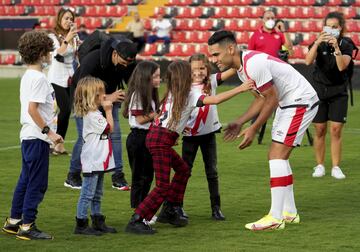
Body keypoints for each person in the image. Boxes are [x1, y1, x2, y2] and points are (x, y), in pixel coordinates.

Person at [125, 60, 255, 235]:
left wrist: (176, 130)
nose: (193, 74)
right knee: (162, 186)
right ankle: (137, 219)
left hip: (158, 137)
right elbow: (215, 100)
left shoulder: (173, 92)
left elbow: (167, 116)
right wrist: (241, 88)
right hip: (160, 140)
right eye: (189, 72)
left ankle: (170, 210)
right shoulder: (190, 94)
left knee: (183, 170)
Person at [207, 30, 319, 231]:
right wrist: (241, 121)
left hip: (299, 100)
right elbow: (261, 98)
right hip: (290, 102)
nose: (213, 59)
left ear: (230, 49)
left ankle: (275, 218)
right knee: (277, 156)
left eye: (215, 54)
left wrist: (253, 128)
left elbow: (271, 98)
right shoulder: (243, 66)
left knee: (277, 155)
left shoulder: (252, 64)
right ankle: (289, 213)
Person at [2, 30, 63, 240]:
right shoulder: (38, 78)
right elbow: (32, 109)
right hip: (37, 137)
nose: (50, 54)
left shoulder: (29, 75)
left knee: (25, 180)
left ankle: (13, 221)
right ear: (40, 53)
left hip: (28, 136)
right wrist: (50, 132)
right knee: (37, 183)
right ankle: (28, 226)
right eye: (48, 50)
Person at [64, 37, 138, 191]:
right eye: (123, 62)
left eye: (128, 64)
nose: (125, 66)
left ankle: (118, 176)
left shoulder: (128, 61)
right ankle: (73, 175)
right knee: (84, 138)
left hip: (108, 97)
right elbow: (82, 90)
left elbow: (133, 82)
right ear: (115, 54)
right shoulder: (93, 60)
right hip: (83, 99)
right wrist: (109, 98)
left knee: (115, 135)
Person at [180, 54, 237, 221]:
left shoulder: (212, 80)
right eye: (194, 69)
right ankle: (177, 206)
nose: (198, 72)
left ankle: (216, 208)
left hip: (209, 135)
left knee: (212, 172)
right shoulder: (184, 86)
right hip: (190, 135)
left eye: (202, 68)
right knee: (184, 173)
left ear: (208, 68)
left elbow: (234, 68)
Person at [305, 12, 353, 179]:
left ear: (341, 28)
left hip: (338, 91)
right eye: (329, 27)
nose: (332, 30)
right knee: (319, 129)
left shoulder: (346, 44)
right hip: (319, 90)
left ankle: (336, 167)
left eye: (335, 27)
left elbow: (342, 67)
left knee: (336, 129)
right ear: (323, 27)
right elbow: (307, 61)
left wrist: (337, 48)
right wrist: (318, 42)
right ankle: (319, 165)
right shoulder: (318, 43)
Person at [73, 77, 117, 236]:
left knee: (97, 193)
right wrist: (109, 110)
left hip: (98, 160)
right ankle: (81, 223)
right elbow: (110, 128)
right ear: (91, 97)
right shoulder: (93, 115)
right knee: (88, 193)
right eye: (100, 94)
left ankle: (98, 220)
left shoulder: (94, 113)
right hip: (93, 160)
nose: (104, 96)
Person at [122, 61, 160, 211]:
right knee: (139, 177)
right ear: (146, 77)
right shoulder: (138, 94)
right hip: (138, 138)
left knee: (148, 176)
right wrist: (158, 114)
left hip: (148, 137)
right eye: (156, 76)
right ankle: (138, 212)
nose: (159, 79)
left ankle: (143, 209)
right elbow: (140, 119)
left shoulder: (150, 93)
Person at [47, 7, 79, 155]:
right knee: (63, 110)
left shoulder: (74, 36)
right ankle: (52, 142)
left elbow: (76, 55)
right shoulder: (53, 36)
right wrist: (68, 39)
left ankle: (58, 145)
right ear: (59, 19)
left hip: (69, 78)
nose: (69, 21)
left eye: (71, 18)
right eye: (66, 18)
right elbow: (57, 54)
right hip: (56, 78)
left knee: (66, 112)